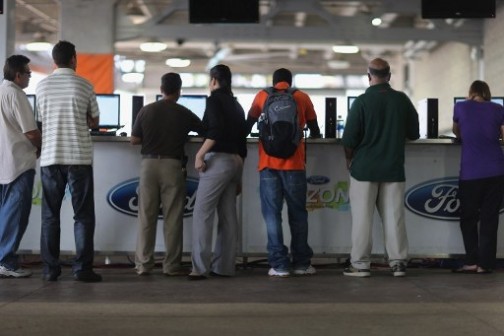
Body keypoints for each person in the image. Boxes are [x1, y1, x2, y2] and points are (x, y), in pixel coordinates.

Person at [341, 58, 419, 278]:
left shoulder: (362, 101)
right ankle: (398, 263)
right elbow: (414, 133)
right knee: (394, 218)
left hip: (364, 170)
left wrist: (349, 159)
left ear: (368, 76)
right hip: (393, 169)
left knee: (362, 220)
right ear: (390, 76)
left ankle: (360, 264)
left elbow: (349, 139)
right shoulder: (402, 100)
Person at [36, 40, 102, 282]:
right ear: (74, 59)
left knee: (50, 216)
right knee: (83, 216)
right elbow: (94, 121)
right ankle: (82, 269)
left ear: (54, 61)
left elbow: (41, 120)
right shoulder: (85, 85)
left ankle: (50, 270)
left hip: (51, 157)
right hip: (79, 159)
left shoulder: (42, 87)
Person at [246, 68, 321, 277]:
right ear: (289, 82)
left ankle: (279, 265)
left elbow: (248, 124)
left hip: (268, 165)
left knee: (272, 215)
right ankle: (302, 264)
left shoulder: (262, 96)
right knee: (298, 215)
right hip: (295, 166)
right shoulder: (302, 97)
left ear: (274, 82)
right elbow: (315, 130)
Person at [131, 73, 203, 276]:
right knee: (173, 217)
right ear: (179, 91)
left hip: (148, 165)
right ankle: (171, 265)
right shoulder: (184, 113)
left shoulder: (146, 110)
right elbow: (205, 131)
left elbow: (134, 140)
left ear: (161, 89)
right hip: (172, 166)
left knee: (146, 216)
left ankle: (144, 264)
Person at [188, 64, 247, 280]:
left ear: (213, 80)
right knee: (228, 216)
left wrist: (199, 154)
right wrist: (240, 175)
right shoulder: (236, 104)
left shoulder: (213, 100)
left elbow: (215, 130)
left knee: (203, 214)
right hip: (235, 162)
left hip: (218, 161)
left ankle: (199, 268)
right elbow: (242, 142)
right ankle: (224, 267)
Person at [452, 80, 504, 274]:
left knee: (468, 218)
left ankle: (472, 261)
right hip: (496, 171)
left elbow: (458, 132)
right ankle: (486, 264)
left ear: (471, 92)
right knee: (490, 219)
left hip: (470, 173)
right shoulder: (498, 109)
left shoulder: (461, 107)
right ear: (487, 93)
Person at [0, 55, 41, 278]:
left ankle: (3, 259)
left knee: (4, 215)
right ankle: (6, 262)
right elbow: (31, 132)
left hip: (3, 163)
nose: (29, 77)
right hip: (19, 163)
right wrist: (42, 145)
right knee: (15, 215)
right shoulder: (16, 95)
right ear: (18, 74)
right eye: (28, 73)